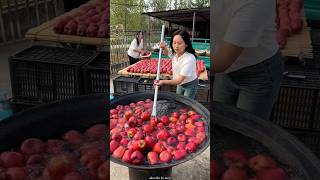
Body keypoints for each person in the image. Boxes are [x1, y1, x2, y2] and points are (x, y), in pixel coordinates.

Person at [212, 0, 283, 120]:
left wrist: (184, 64)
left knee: (246, 128)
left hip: (257, 72)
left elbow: (222, 61)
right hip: (226, 71)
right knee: (221, 119)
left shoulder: (255, 3)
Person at [154, 29, 198, 99]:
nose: (176, 46)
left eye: (179, 43)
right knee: (179, 99)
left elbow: (179, 80)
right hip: (180, 84)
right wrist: (164, 47)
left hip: (190, 84)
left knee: (187, 102)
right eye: (174, 43)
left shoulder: (189, 59)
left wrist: (162, 82)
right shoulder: (176, 53)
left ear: (186, 44)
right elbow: (167, 53)